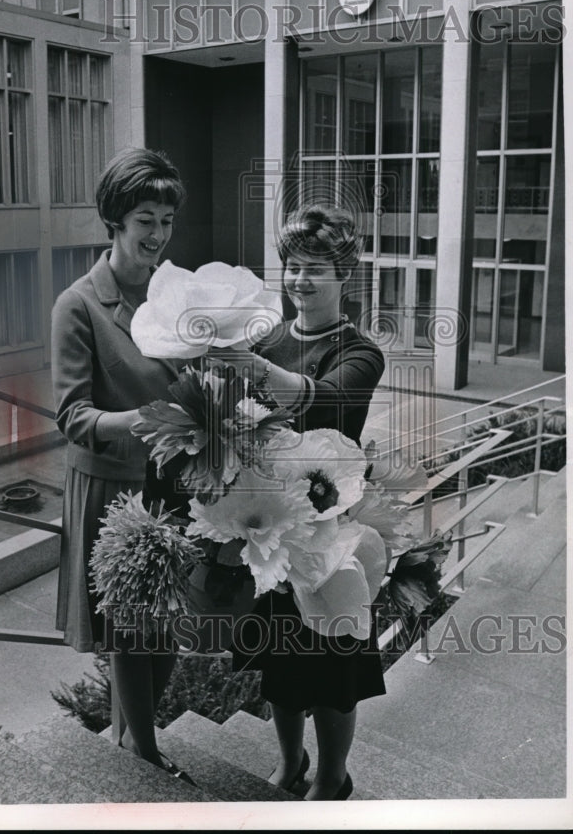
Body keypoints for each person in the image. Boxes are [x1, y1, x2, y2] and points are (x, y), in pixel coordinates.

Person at [220, 203, 386, 800]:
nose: (300, 279)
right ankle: (290, 762)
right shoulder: (268, 336)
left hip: (333, 537)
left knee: (334, 671)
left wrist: (245, 363)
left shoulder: (361, 352)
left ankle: (333, 777)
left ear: (346, 277)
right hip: (272, 533)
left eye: (317, 266)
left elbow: (320, 402)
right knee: (281, 668)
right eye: (292, 264)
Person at [51, 147, 193, 781]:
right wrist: (150, 421)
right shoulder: (77, 306)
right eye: (145, 219)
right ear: (115, 221)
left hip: (176, 482)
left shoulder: (178, 292)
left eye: (165, 219)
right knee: (134, 629)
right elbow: (72, 417)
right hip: (114, 490)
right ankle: (143, 750)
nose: (158, 235)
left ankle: (133, 740)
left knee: (169, 624)